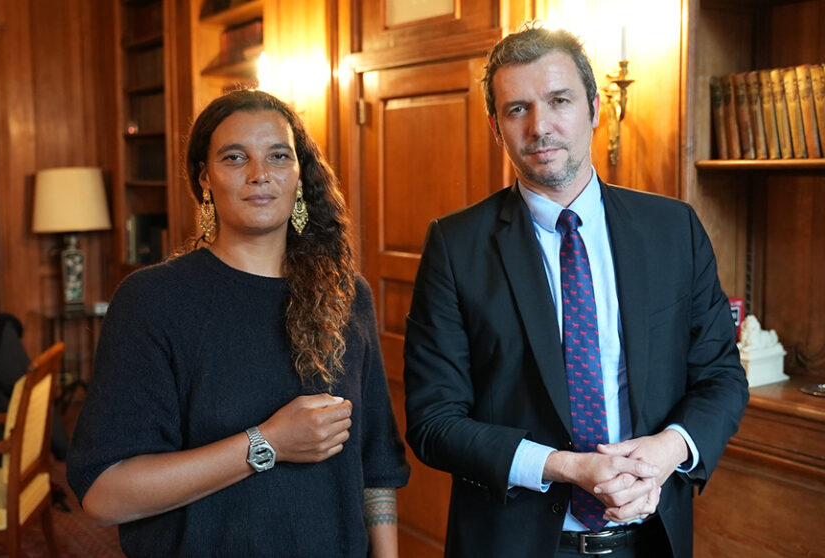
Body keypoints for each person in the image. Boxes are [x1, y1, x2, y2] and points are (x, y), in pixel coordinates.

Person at [402, 23, 749, 558]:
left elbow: (721, 377)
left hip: (651, 537)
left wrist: (666, 451)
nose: (540, 126)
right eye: (517, 109)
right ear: (497, 127)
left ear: (593, 107)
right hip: (512, 542)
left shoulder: (673, 229)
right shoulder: (455, 246)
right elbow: (434, 422)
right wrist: (566, 467)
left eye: (558, 100)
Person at [67, 89, 410, 558]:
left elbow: (376, 465)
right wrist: (266, 443)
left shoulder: (348, 297)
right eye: (235, 158)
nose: (259, 175)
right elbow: (104, 496)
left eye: (278, 156)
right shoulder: (153, 301)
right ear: (204, 178)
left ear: (299, 176)